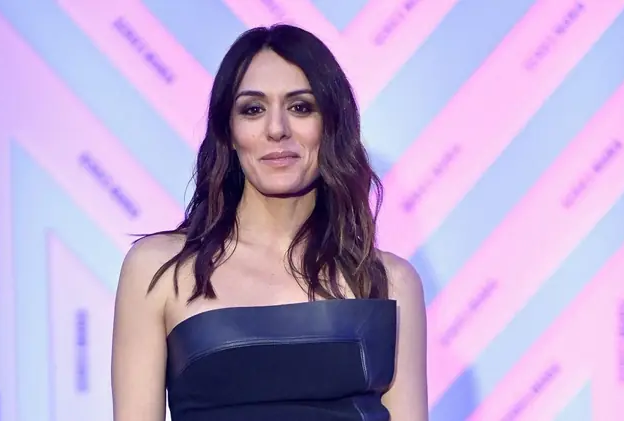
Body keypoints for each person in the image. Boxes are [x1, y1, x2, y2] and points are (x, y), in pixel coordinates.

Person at [111, 23, 428, 421]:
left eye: (300, 107)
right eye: (253, 109)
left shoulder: (387, 281)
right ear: (229, 131)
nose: (277, 129)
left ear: (331, 125)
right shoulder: (159, 270)